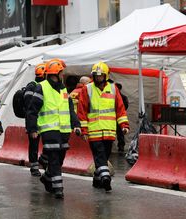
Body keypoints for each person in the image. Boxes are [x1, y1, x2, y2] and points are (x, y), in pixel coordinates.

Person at [26, 59, 81, 199]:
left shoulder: (63, 89)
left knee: (60, 158)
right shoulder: (42, 87)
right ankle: (58, 188)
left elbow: (69, 109)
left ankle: (47, 178)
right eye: (62, 72)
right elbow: (32, 110)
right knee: (55, 158)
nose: (63, 74)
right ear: (57, 72)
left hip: (64, 131)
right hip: (49, 131)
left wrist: (76, 125)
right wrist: (32, 129)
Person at [77, 61, 129, 192]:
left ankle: (97, 178)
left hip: (109, 131)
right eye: (96, 75)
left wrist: (124, 125)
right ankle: (106, 178)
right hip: (94, 131)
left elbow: (120, 108)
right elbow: (81, 110)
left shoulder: (113, 88)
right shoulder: (87, 89)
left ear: (106, 76)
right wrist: (84, 130)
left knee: (104, 156)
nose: (98, 78)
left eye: (100, 76)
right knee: (100, 155)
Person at [24, 63, 48, 177]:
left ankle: (43, 160)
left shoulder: (45, 86)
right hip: (34, 121)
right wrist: (32, 125)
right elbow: (30, 107)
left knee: (48, 143)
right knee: (34, 145)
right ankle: (34, 166)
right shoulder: (32, 86)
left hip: (45, 121)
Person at [115, 83, 129, 152]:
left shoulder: (113, 96)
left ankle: (120, 147)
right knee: (120, 133)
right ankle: (121, 147)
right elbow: (125, 107)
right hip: (119, 117)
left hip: (113, 118)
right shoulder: (124, 97)